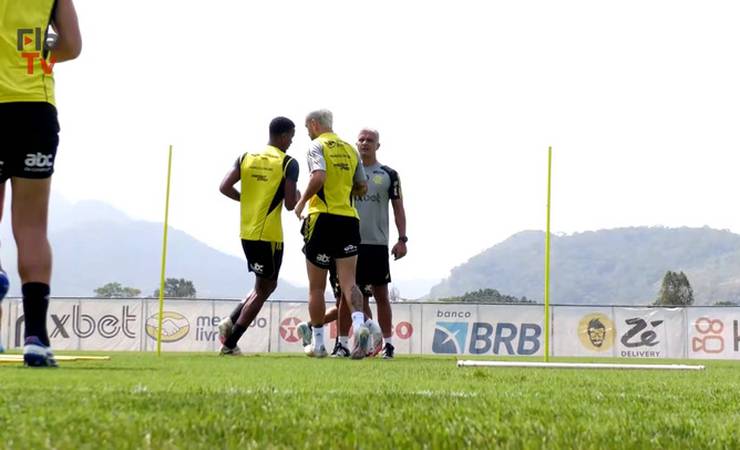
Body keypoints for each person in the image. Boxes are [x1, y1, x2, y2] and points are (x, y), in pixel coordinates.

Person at [0, 0, 82, 366]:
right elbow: (71, 46)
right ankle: (35, 337)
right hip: (34, 109)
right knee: (31, 228)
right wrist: (37, 47)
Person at [216, 117, 300, 355]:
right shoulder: (288, 163)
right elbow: (291, 205)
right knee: (265, 289)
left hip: (247, 231)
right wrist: (298, 193)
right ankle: (230, 343)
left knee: (262, 285)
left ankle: (231, 321)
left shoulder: (246, 157)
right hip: (269, 235)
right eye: (291, 138)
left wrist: (246, 199)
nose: (291, 142)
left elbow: (224, 187)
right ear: (284, 136)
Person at [294, 109, 368, 359]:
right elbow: (362, 186)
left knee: (316, 287)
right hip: (348, 219)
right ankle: (359, 326)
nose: (307, 133)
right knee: (349, 283)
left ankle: (318, 344)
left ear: (314, 125)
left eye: (306, 129)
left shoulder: (317, 146)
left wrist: (302, 202)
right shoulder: (350, 148)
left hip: (322, 217)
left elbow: (319, 176)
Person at [328, 128, 407, 359]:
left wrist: (402, 239)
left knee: (381, 295)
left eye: (370, 140)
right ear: (356, 144)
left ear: (377, 145)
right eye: (361, 140)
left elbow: (398, 208)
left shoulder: (389, 174)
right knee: (346, 295)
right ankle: (342, 344)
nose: (365, 143)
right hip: (349, 241)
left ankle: (388, 345)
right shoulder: (346, 173)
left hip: (377, 244)